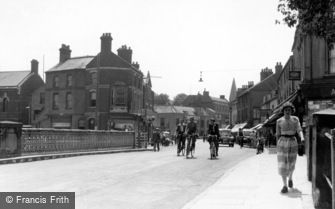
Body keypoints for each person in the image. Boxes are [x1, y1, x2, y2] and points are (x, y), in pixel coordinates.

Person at [276, 102, 304, 193]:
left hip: (292, 142)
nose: (287, 112)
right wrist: (277, 146)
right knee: (282, 164)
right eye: (286, 110)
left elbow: (299, 129)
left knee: (291, 163)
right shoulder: (279, 121)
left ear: (292, 111)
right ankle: (284, 186)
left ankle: (290, 178)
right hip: (282, 143)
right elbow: (277, 134)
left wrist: (302, 137)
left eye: (289, 110)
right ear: (283, 111)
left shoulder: (295, 119)